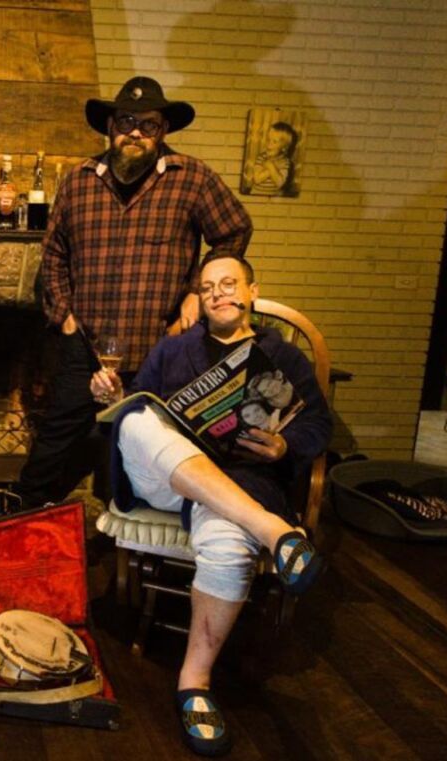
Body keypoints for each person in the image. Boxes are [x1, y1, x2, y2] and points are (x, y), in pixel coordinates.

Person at [95, 253, 331, 757]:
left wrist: (285, 446)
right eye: (207, 288)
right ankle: (275, 532)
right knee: (134, 418)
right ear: (199, 299)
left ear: (251, 292)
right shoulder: (174, 349)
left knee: (227, 546)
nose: (218, 293)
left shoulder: (284, 357)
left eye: (229, 284)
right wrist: (112, 394)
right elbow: (143, 410)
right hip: (169, 479)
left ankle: (194, 684)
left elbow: (318, 425)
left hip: (241, 482)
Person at [15, 76, 253, 509]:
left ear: (163, 130)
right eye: (126, 122)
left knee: (137, 446)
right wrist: (63, 314)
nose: (136, 133)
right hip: (85, 344)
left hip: (156, 346)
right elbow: (53, 253)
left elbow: (234, 230)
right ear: (110, 126)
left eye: (148, 124)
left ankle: (121, 530)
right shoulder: (78, 181)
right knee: (55, 440)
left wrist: (197, 293)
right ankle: (23, 519)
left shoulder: (192, 178)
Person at [244, 121, 297, 196]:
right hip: (257, 194)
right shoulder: (261, 157)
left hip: (274, 196)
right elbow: (257, 179)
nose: (269, 144)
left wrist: (271, 167)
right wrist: (273, 167)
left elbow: (280, 183)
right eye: (268, 140)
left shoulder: (285, 162)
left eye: (274, 141)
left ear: (284, 147)